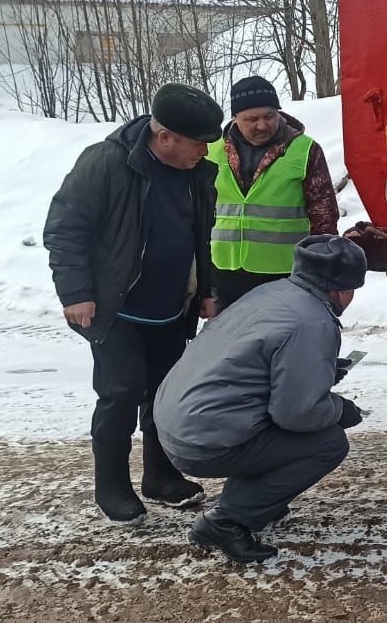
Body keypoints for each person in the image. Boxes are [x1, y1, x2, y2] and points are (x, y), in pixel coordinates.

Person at [42, 83, 224, 524]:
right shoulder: (106, 163)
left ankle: (160, 477)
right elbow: (65, 229)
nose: (205, 151)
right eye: (199, 143)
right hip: (114, 307)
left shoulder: (196, 173)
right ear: (166, 137)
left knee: (164, 394)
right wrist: (76, 293)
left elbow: (201, 235)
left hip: (171, 307)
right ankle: (112, 485)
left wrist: (206, 289)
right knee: (121, 393)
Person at [154, 234, 368, 563]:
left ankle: (257, 501)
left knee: (283, 438)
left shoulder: (273, 293)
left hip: (178, 421)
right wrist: (341, 409)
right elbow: (297, 414)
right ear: (344, 289)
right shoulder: (313, 323)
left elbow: (254, 364)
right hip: (204, 441)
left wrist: (317, 370)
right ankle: (225, 522)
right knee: (328, 442)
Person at [208, 76, 341, 311]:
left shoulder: (305, 150)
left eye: (269, 116)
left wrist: (322, 269)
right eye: (252, 119)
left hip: (286, 275)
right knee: (230, 346)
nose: (262, 125)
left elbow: (324, 217)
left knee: (282, 345)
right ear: (234, 118)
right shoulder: (212, 152)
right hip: (224, 276)